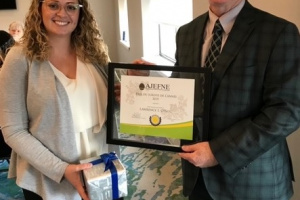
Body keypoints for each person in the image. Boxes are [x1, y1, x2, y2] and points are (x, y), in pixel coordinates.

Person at [176, 0, 300, 200]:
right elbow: (182, 88)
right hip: (197, 177)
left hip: (252, 183)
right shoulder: (185, 33)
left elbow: (288, 110)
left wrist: (218, 152)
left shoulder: (279, 32)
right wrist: (143, 90)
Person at [0, 0, 124, 200]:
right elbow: (13, 130)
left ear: (80, 12)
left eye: (71, 6)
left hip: (102, 166)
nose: (62, 13)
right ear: (39, 8)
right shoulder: (19, 58)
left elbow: (111, 105)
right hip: (49, 176)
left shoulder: (95, 50)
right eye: (53, 5)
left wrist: (131, 95)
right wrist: (62, 169)